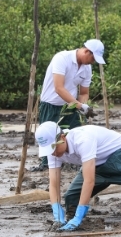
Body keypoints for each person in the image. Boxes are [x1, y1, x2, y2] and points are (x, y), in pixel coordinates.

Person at [36, 121, 121, 230]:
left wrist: (80, 213)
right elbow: (53, 183)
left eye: (54, 148)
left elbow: (89, 180)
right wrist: (56, 210)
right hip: (97, 165)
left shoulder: (82, 140)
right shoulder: (52, 152)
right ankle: (73, 223)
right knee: (71, 196)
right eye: (48, 150)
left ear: (62, 137)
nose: (53, 153)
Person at [35, 39, 105, 170]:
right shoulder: (62, 58)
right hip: (51, 105)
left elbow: (84, 92)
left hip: (71, 106)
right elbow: (59, 88)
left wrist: (82, 106)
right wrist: (79, 106)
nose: (93, 62)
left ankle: (74, 164)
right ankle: (47, 166)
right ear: (86, 51)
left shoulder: (87, 68)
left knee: (75, 135)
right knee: (50, 137)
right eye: (93, 58)